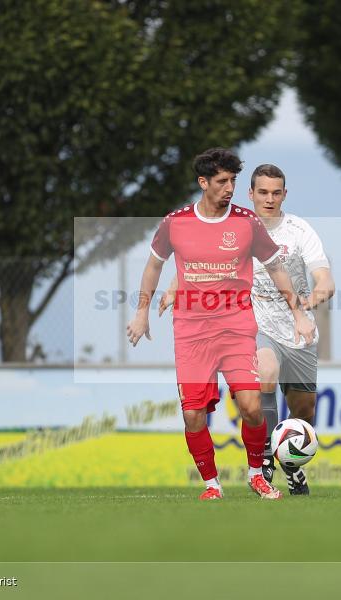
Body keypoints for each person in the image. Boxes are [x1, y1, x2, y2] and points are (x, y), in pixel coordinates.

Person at [126, 148, 314, 501]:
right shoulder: (175, 223)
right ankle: (212, 485)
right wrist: (142, 311)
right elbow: (154, 266)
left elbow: (276, 269)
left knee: (252, 406)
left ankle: (257, 475)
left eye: (233, 181)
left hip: (236, 329)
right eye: (222, 181)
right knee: (194, 416)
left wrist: (298, 313)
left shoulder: (247, 223)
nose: (229, 188)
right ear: (203, 182)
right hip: (191, 333)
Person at [161, 164, 334, 495]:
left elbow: (325, 278)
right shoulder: (235, 227)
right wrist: (173, 288)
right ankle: (265, 461)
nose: (269, 199)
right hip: (252, 325)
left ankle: (293, 467)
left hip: (298, 330)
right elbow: (198, 265)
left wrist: (311, 301)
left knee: (303, 411)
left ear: (285, 195)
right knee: (264, 373)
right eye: (263, 192)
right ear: (250, 194)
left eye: (276, 193)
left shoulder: (300, 231)